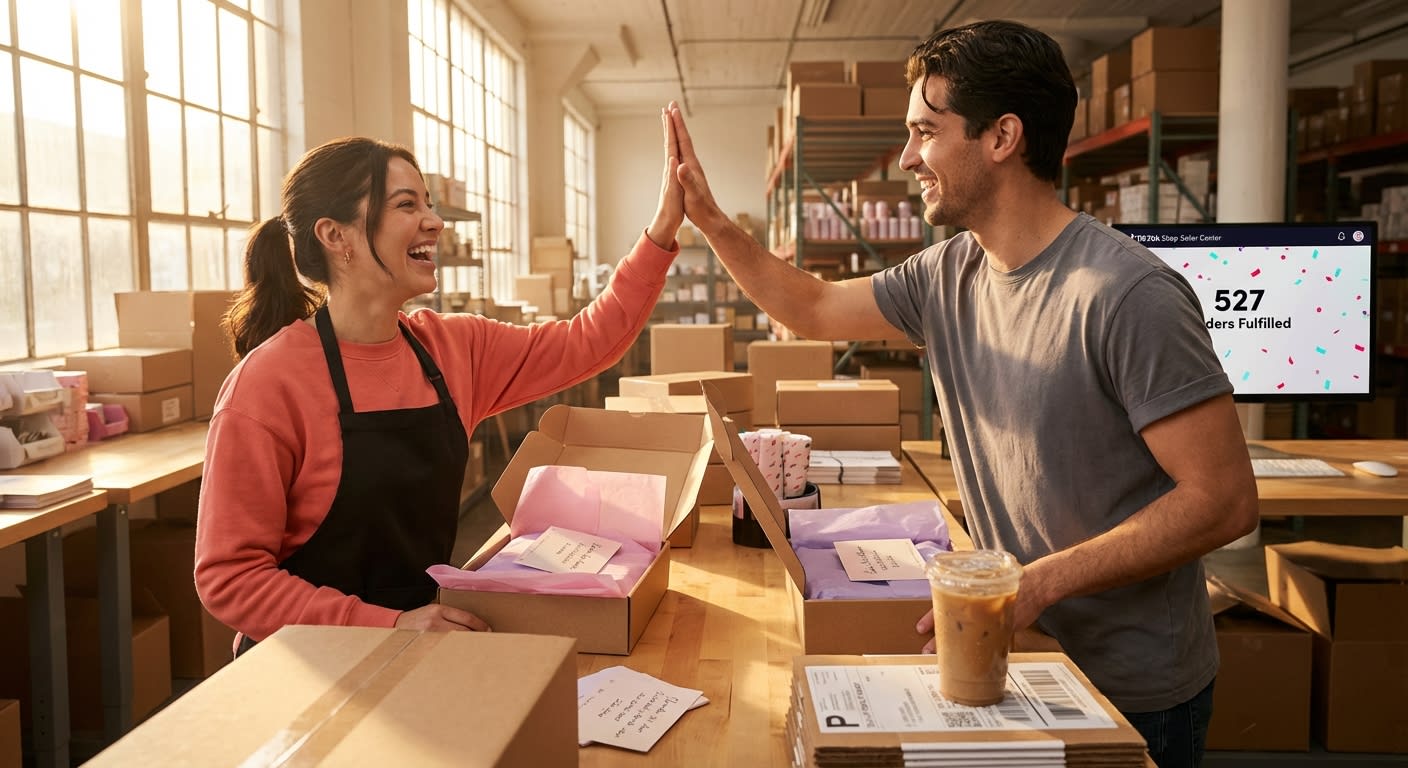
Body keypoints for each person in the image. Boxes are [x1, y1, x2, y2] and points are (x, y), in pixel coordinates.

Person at [670, 20, 1258, 768]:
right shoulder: (947, 274)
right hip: (1013, 649)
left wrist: (1040, 582)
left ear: (1002, 137)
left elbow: (1224, 499)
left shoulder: (1127, 294)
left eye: (926, 131)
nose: (910, 156)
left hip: (1128, 688)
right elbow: (813, 307)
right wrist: (713, 223)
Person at [196, 107, 686, 653]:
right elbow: (230, 579)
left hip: (421, 645)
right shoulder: (265, 386)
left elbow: (587, 342)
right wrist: (388, 626)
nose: (434, 221)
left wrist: (662, 231)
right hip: (304, 664)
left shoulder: (454, 348)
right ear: (336, 236)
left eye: (429, 203)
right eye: (407, 205)